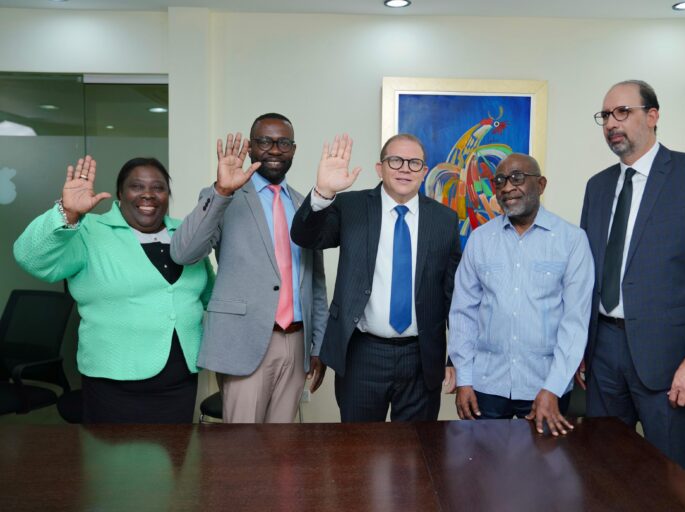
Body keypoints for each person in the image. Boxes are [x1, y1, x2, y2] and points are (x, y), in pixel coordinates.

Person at [579, 80, 685, 477]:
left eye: (623, 112)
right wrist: (579, 347)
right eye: (605, 116)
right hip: (603, 354)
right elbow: (587, 274)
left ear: (652, 116)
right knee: (603, 470)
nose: (611, 124)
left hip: (670, 360)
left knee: (672, 478)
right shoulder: (597, 187)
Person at [14, 156, 214, 423]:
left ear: (168, 194)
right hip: (114, 381)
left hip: (179, 380)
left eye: (158, 187)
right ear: (120, 193)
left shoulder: (186, 233)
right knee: (115, 464)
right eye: (136, 186)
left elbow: (207, 293)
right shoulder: (89, 230)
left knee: (174, 460)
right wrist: (67, 212)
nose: (148, 195)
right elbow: (32, 259)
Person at [291, 133, 462, 422]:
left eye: (414, 162)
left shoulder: (444, 219)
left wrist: (455, 356)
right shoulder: (351, 206)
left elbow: (452, 294)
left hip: (421, 356)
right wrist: (322, 193)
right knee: (358, 451)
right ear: (379, 168)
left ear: (424, 171)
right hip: (362, 353)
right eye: (395, 160)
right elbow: (306, 237)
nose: (405, 168)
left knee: (415, 453)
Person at [171, 113, 328, 423]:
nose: (274, 149)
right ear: (251, 146)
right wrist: (221, 192)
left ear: (294, 150)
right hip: (244, 340)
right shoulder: (225, 196)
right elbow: (184, 253)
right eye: (264, 141)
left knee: (283, 454)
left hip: (297, 342)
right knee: (242, 453)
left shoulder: (304, 205)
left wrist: (318, 345)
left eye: (283, 142)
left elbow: (316, 284)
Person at [449, 153, 593, 435]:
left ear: (541, 184)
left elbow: (574, 323)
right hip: (486, 384)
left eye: (517, 178)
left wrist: (553, 387)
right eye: (499, 181)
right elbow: (463, 312)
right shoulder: (480, 240)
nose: (507, 187)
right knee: (482, 473)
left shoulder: (572, 241)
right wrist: (464, 378)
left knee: (543, 474)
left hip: (544, 384)